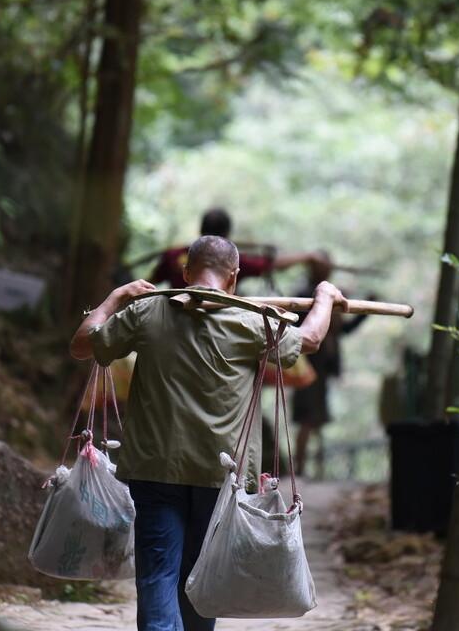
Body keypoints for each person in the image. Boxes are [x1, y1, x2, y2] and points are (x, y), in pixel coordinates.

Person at [70, 235, 346, 631]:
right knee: (203, 577)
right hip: (222, 476)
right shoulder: (254, 321)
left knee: (158, 574)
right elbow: (310, 340)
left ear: (185, 274)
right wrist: (324, 297)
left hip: (155, 468)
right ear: (233, 278)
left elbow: (83, 345)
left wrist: (115, 298)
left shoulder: (147, 312)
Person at [292, 253, 370, 479]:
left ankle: (317, 468)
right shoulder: (304, 296)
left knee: (318, 418)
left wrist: (363, 313)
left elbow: (342, 330)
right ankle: (301, 468)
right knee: (307, 418)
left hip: (323, 369)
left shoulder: (330, 301)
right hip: (305, 366)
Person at [149, 207, 320, 288]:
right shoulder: (233, 262)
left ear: (200, 229)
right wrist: (307, 257)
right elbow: (271, 264)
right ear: (227, 233)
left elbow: (150, 282)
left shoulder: (173, 255)